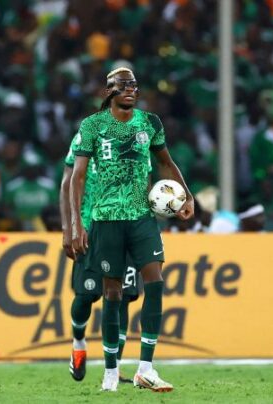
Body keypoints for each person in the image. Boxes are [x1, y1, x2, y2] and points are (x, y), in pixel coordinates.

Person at [70, 67, 194, 392]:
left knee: (155, 281)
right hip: (107, 219)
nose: (131, 90)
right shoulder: (93, 126)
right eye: (123, 85)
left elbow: (166, 161)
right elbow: (77, 177)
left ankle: (146, 368)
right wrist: (74, 224)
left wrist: (187, 195)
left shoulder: (149, 123)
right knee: (112, 294)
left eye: (134, 85)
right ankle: (111, 372)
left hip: (141, 217)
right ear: (109, 90)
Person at [60, 132, 139, 384]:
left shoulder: (138, 137)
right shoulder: (86, 135)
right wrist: (69, 226)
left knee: (123, 297)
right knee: (86, 295)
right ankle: (78, 343)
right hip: (89, 228)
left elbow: (144, 181)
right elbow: (66, 182)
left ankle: (114, 368)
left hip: (126, 225)